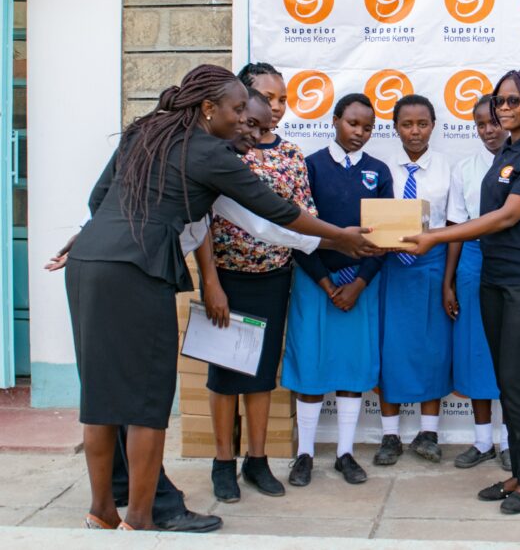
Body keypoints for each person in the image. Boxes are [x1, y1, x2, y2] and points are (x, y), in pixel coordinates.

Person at [64, 64, 379, 531]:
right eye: (237, 110)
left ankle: (102, 511)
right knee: (147, 401)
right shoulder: (209, 152)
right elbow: (276, 211)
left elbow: (99, 200)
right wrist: (342, 238)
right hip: (136, 271)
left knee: (100, 398)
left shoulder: (144, 132)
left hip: (88, 263)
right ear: (208, 109)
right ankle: (141, 517)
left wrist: (109, 238)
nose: (245, 120)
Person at [403, 70, 520, 515]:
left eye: (513, 100)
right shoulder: (506, 152)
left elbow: (508, 216)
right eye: (499, 101)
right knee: (506, 380)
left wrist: (435, 236)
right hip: (495, 278)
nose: (504, 107)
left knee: (516, 380)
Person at [194, 87, 316, 502]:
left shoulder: (289, 155)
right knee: (226, 374)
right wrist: (210, 282)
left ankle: (257, 461)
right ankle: (223, 463)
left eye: (270, 112)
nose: (258, 126)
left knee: (262, 373)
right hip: (227, 276)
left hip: (274, 274)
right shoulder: (216, 154)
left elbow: (303, 214)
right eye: (251, 115)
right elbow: (201, 223)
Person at [285, 93, 393, 487]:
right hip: (316, 281)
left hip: (359, 285)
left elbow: (384, 237)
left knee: (351, 368)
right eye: (352, 123)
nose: (359, 133)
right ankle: (305, 455)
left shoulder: (379, 172)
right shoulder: (309, 166)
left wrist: (359, 283)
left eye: (367, 127)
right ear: (335, 120)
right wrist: (328, 283)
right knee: (311, 366)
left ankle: (345, 452)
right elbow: (297, 231)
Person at [375, 95, 454, 467]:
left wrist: (447, 280)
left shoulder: (446, 168)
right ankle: (389, 435)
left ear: (433, 126)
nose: (415, 131)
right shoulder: (381, 167)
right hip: (391, 266)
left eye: (422, 123)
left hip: (432, 265)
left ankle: (428, 432)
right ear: (395, 128)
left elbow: (453, 227)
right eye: (407, 124)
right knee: (389, 347)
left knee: (432, 347)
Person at [443, 95, 514, 471]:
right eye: (481, 124)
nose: (489, 130)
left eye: (494, 122)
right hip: (472, 263)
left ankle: (510, 441)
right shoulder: (466, 168)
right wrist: (449, 281)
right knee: (476, 351)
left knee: (513, 353)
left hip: (514, 261)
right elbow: (456, 227)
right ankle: (483, 440)